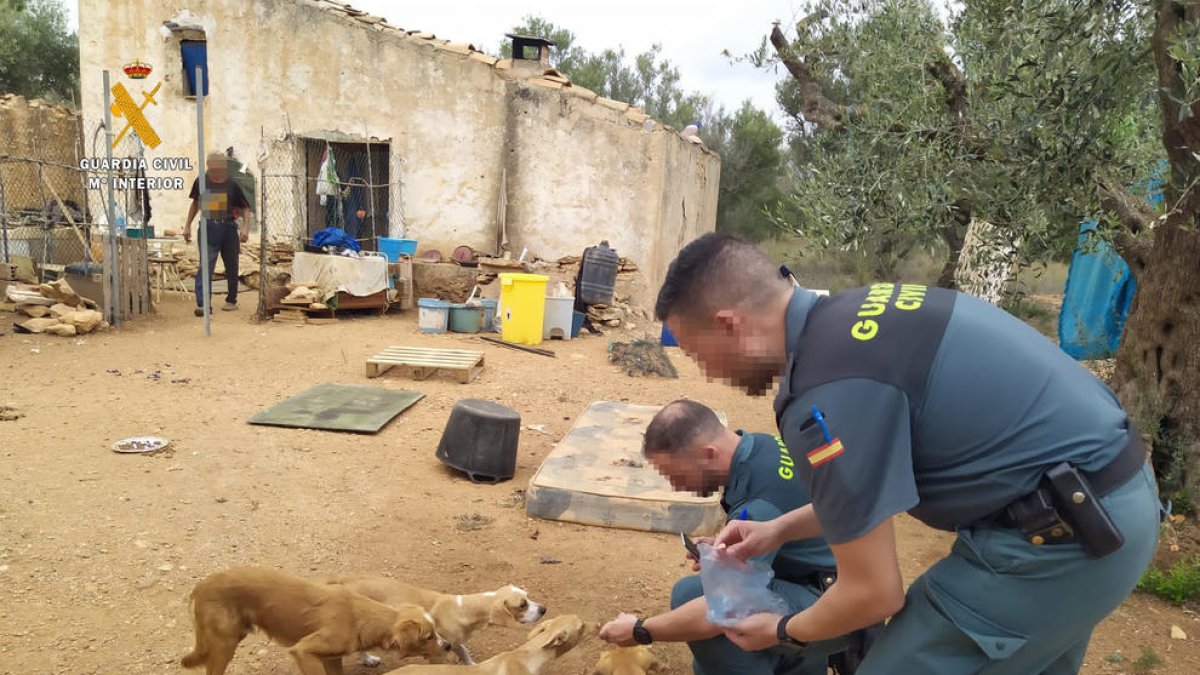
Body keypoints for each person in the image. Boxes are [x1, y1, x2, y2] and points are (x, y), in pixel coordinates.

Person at [653, 232, 1161, 674]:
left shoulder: (823, 394)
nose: (707, 373)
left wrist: (784, 628)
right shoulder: (859, 317)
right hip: (1110, 502)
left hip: (1057, 541)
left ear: (729, 324)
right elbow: (871, 494)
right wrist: (779, 529)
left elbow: (873, 594)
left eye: (698, 354)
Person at [598, 399, 874, 675]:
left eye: (676, 474)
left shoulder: (759, 504)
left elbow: (723, 606)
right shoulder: (760, 447)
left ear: (708, 454)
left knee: (691, 595)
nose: (675, 485)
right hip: (837, 581)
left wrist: (640, 630)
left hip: (834, 609)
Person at [184, 152, 253, 316]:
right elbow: (196, 204)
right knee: (206, 265)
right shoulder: (201, 182)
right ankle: (203, 304)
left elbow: (245, 207)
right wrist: (187, 226)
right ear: (209, 165)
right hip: (208, 226)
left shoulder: (232, 185)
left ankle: (231, 300)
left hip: (228, 227)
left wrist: (245, 228)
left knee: (231, 264)